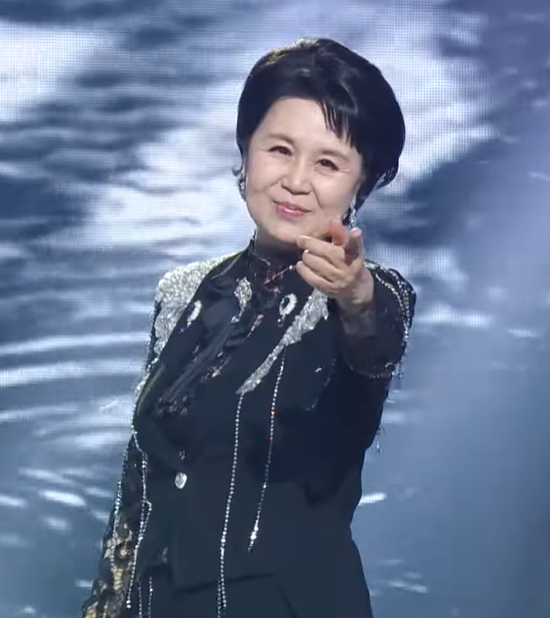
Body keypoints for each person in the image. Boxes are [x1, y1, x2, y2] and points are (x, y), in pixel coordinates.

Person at [80, 38, 415, 618]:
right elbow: (138, 487)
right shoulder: (183, 292)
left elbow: (375, 336)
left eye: (327, 164)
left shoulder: (369, 297)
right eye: (280, 150)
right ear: (246, 149)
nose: (296, 180)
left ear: (360, 185)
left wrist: (354, 292)